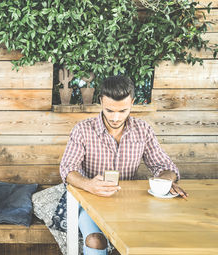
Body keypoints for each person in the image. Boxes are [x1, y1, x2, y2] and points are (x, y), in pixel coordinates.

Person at [59, 75, 188, 255]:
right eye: (109, 110)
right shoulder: (83, 129)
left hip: (128, 202)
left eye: (123, 111)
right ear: (100, 101)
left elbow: (164, 166)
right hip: (90, 200)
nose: (115, 118)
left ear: (132, 103)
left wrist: (165, 182)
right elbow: (67, 169)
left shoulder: (143, 130)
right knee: (95, 240)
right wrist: (89, 184)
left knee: (152, 237)